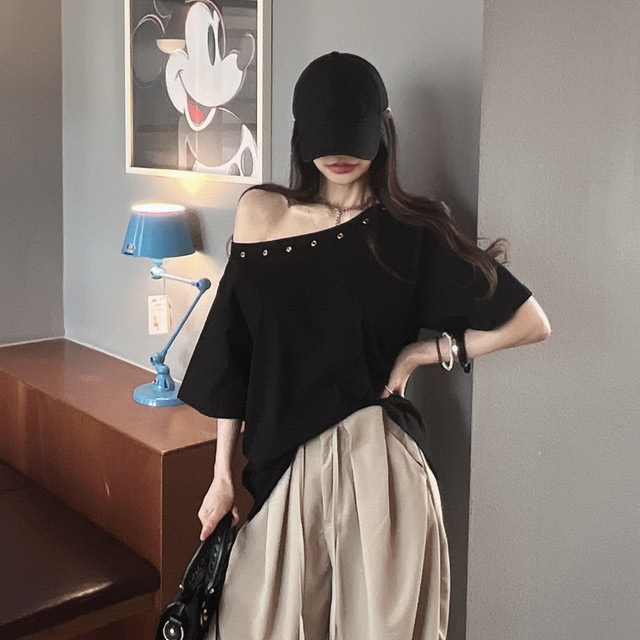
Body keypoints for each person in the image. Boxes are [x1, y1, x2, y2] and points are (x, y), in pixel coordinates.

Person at [177, 51, 551, 640]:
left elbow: (531, 321)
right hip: (284, 470)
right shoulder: (262, 213)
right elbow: (235, 353)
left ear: (382, 129)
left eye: (353, 136)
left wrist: (423, 354)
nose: (340, 155)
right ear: (301, 134)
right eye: (325, 138)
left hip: (379, 471)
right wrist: (222, 475)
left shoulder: (410, 230)